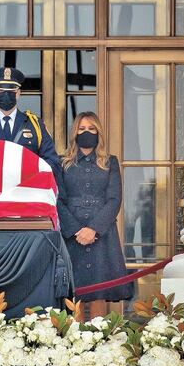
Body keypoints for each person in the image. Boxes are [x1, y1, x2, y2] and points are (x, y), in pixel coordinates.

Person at [57, 112, 132, 320]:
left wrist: (94, 229)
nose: (86, 133)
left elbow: (114, 199)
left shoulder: (110, 162)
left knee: (100, 290)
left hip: (102, 234)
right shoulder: (63, 163)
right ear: (75, 132)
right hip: (72, 235)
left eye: (91, 129)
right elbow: (57, 200)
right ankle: (76, 343)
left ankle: (99, 340)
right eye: (82, 129)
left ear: (98, 132)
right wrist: (76, 230)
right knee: (75, 291)